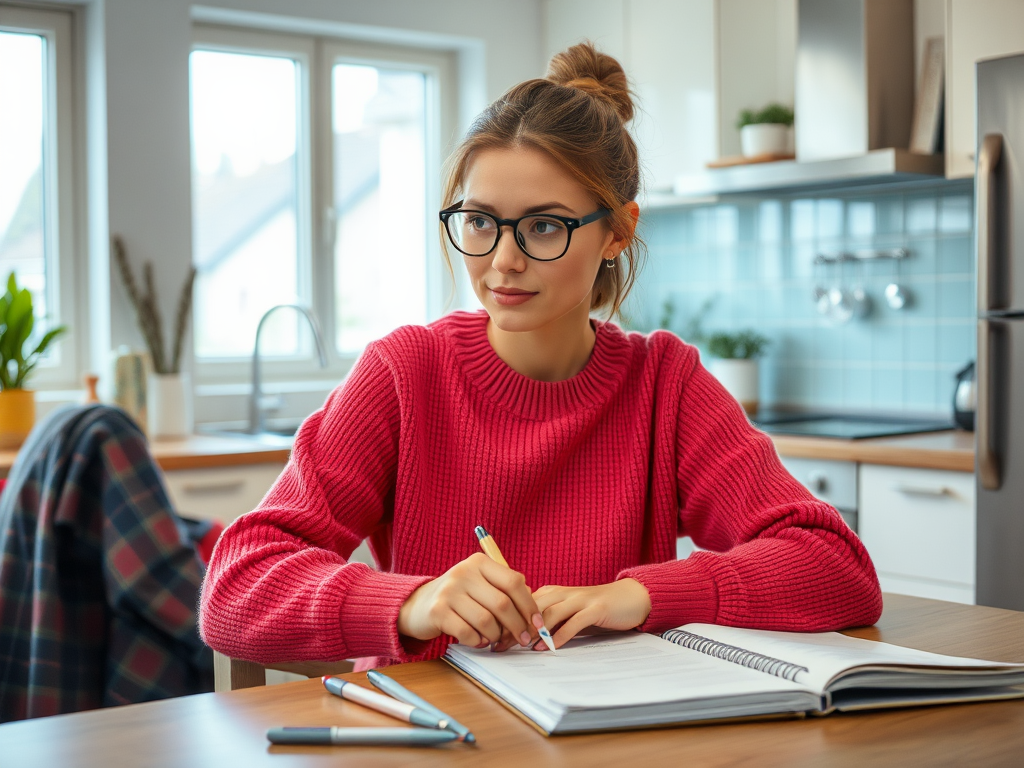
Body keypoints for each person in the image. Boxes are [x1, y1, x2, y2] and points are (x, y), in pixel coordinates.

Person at [199, 43, 882, 671]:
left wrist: (642, 594)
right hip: (439, 741)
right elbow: (234, 588)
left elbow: (837, 568)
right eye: (479, 221)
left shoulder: (664, 384)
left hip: (605, 737)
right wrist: (411, 604)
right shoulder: (404, 375)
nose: (503, 261)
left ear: (618, 231)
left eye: (545, 226)